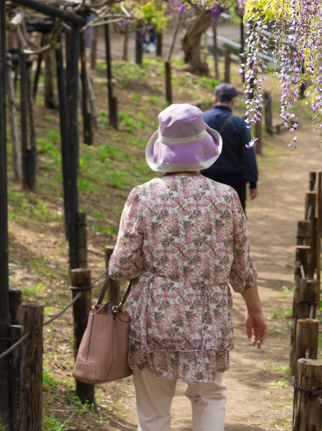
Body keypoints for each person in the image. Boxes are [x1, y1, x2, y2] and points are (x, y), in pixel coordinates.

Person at [109, 104, 268, 431]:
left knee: (153, 412)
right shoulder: (226, 198)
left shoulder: (143, 196)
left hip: (154, 319)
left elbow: (121, 267)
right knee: (209, 397)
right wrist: (256, 311)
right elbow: (242, 268)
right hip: (207, 320)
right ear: (202, 148)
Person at [200, 83, 258, 211]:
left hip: (206, 179)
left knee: (208, 219)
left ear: (214, 100)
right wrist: (252, 182)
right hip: (234, 182)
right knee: (235, 221)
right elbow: (248, 155)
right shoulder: (239, 124)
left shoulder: (201, 120)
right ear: (233, 101)